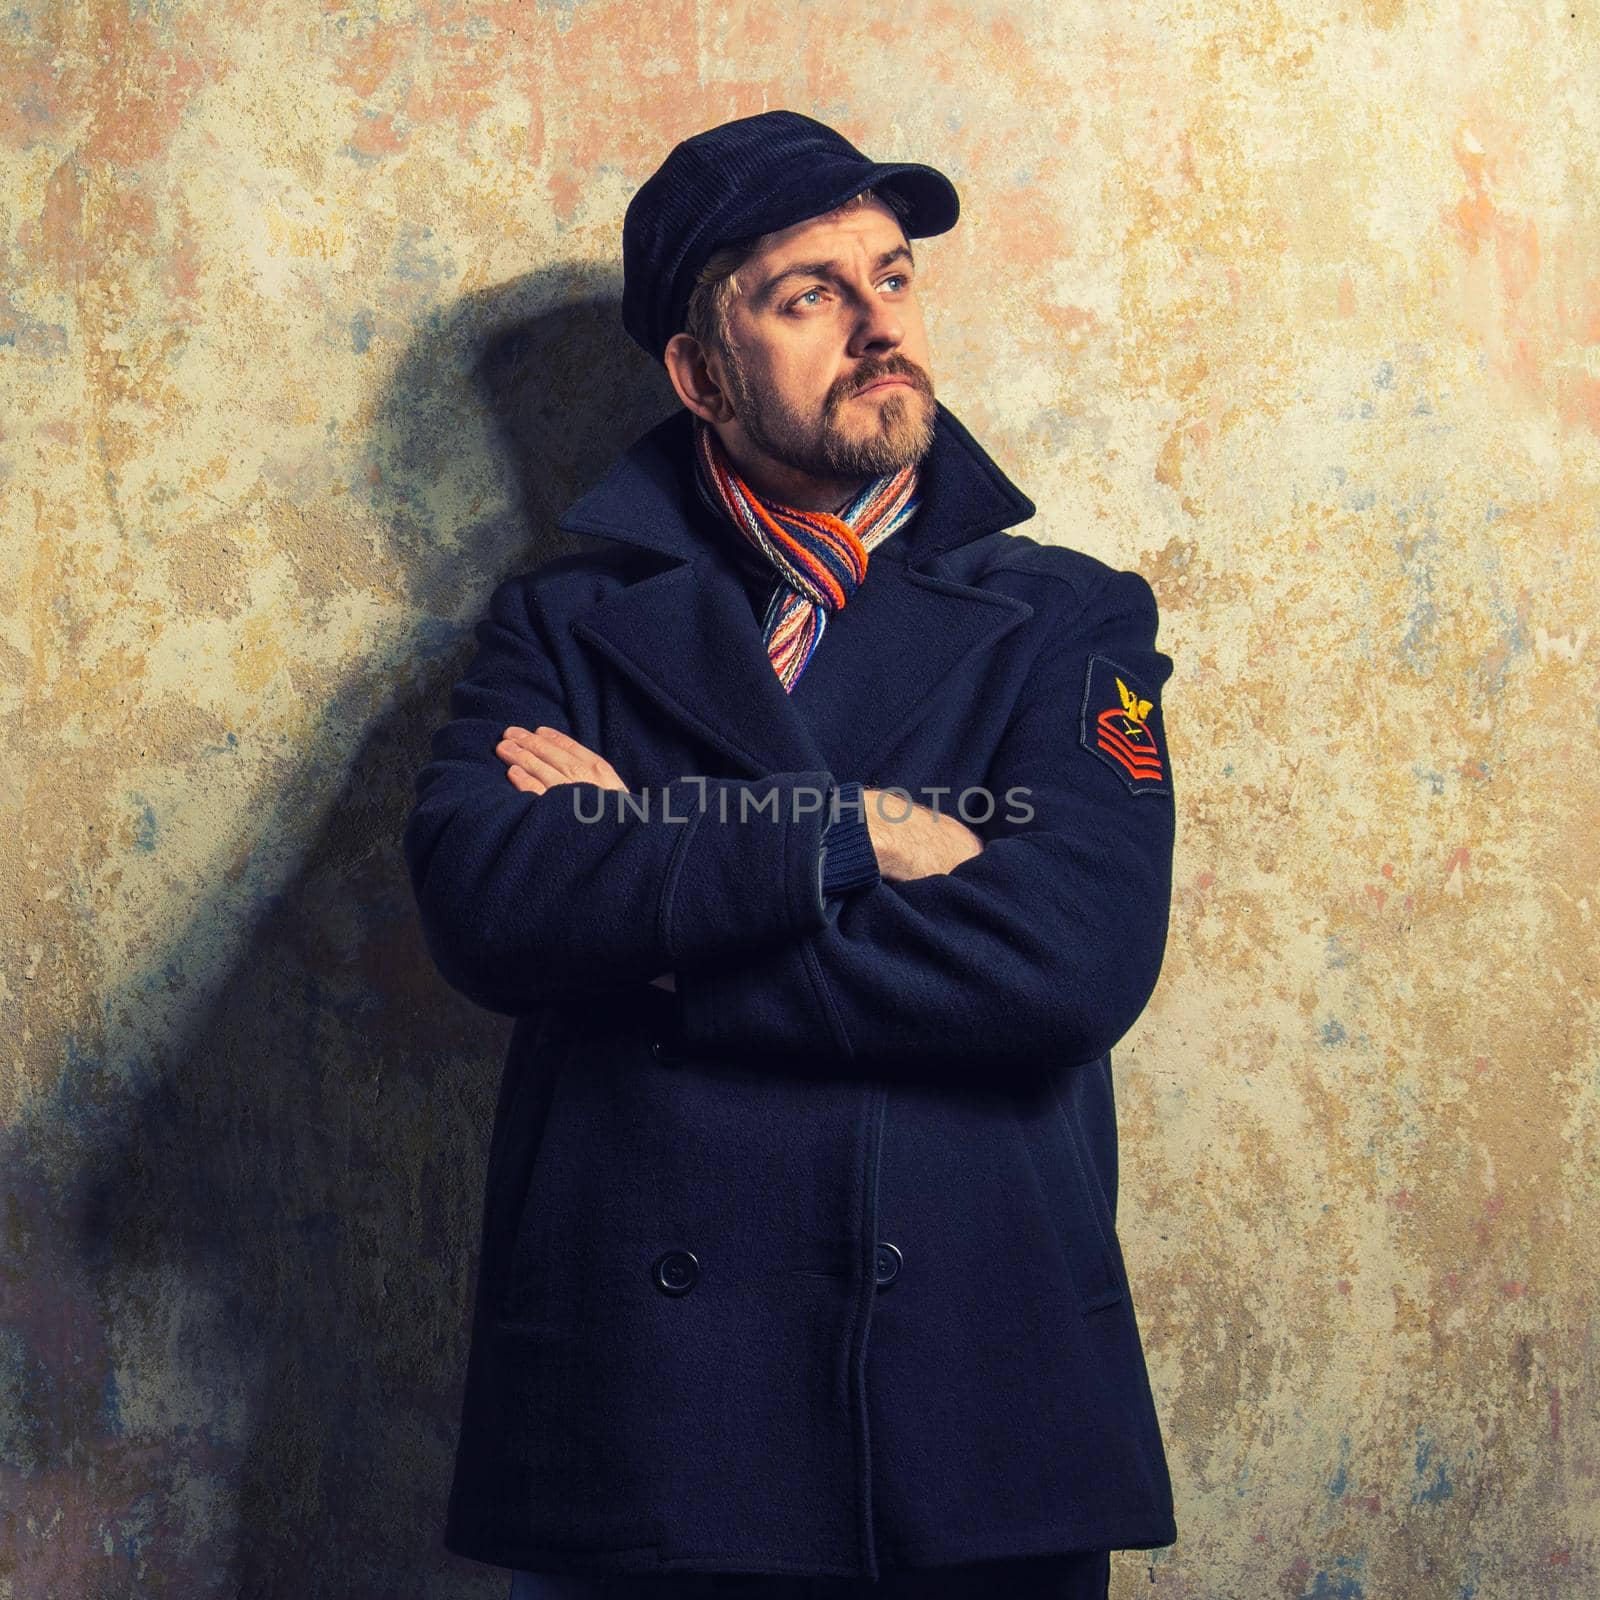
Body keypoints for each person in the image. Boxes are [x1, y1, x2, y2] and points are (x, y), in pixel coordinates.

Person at [403, 110, 1179, 1600]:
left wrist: (638, 933)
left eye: (891, 276)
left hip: (968, 1408)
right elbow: (490, 909)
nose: (880, 323)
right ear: (702, 373)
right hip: (647, 1421)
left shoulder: (1074, 621)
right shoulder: (561, 627)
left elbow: (1067, 963)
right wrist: (848, 831)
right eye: (810, 293)